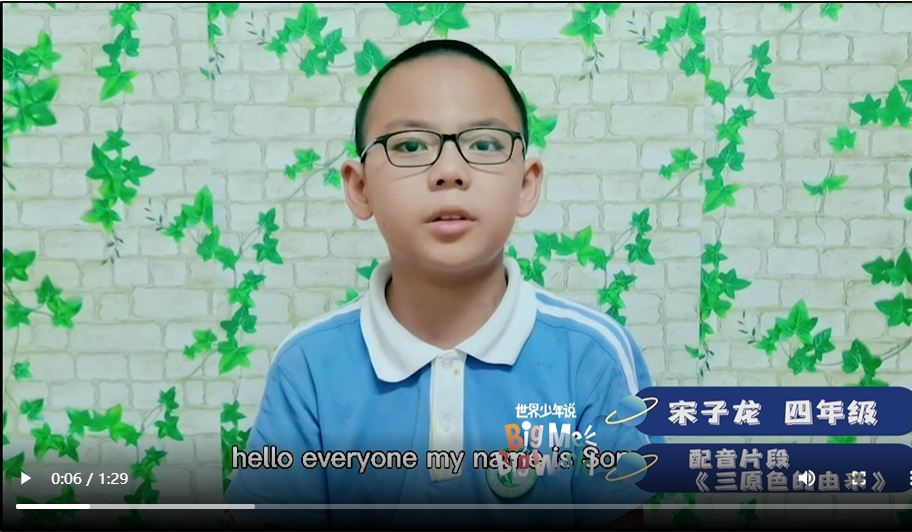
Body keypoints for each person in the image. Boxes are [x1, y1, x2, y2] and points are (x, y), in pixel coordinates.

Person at [226, 39, 658, 530]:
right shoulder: (307, 366)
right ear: (360, 187)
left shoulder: (593, 355)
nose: (449, 172)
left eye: (485, 144)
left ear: (526, 184)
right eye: (410, 145)